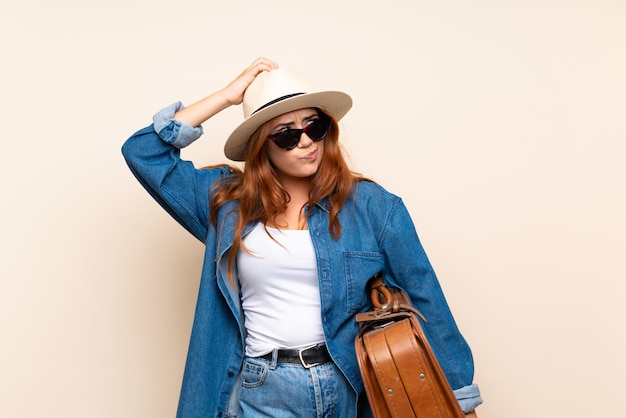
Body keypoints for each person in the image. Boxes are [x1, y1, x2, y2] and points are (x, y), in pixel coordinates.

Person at [122, 57, 483, 417]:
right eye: (287, 135)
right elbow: (144, 152)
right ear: (261, 146)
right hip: (261, 386)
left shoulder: (373, 207)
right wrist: (227, 96)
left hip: (348, 384)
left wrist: (461, 400)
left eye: (315, 126)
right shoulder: (227, 204)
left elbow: (427, 300)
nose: (307, 142)